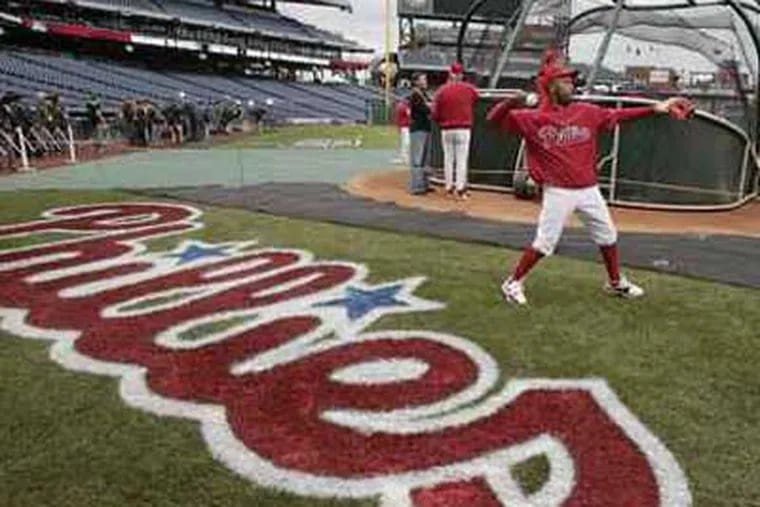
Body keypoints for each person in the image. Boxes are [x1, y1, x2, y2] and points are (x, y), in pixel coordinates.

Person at [487, 52, 694, 306]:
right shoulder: (532, 118)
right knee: (544, 244)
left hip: (588, 189)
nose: (571, 85)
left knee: (608, 236)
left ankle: (615, 282)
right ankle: (513, 282)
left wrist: (654, 108)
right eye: (565, 81)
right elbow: (492, 122)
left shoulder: (586, 111)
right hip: (558, 191)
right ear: (551, 87)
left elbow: (618, 116)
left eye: (571, 81)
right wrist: (511, 102)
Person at [431, 62, 480, 199]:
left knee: (448, 159)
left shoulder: (442, 90)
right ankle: (460, 189)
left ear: (450, 74)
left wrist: (441, 120)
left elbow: (435, 113)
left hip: (446, 129)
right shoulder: (469, 88)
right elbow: (476, 99)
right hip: (463, 128)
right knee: (461, 160)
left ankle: (448, 188)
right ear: (461, 74)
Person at [408, 72, 432, 195]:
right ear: (416, 81)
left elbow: (430, 106)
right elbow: (426, 109)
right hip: (418, 129)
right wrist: (430, 106)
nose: (425, 81)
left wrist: (430, 105)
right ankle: (416, 186)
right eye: (423, 79)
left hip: (426, 128)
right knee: (417, 159)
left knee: (425, 159)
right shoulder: (415, 95)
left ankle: (424, 184)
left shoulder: (424, 94)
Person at [394, 98, 411, 165]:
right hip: (405, 127)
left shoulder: (401, 106)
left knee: (404, 143)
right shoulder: (404, 107)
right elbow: (409, 115)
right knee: (406, 143)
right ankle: (405, 158)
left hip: (403, 127)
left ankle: (404, 158)